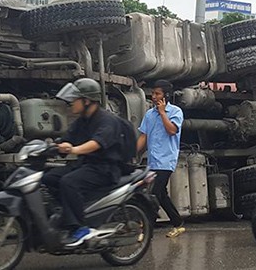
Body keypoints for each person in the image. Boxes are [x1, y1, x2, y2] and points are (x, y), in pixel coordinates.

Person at [42, 78, 126, 247]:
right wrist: (49, 146)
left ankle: (79, 228)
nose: (70, 103)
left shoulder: (107, 120)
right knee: (48, 177)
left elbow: (97, 143)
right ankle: (65, 215)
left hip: (105, 169)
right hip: (86, 165)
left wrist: (73, 150)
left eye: (74, 100)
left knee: (69, 182)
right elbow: (66, 139)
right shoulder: (81, 121)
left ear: (87, 101)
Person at [137, 79, 185, 238]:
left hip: (166, 161)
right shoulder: (149, 115)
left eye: (157, 93)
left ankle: (147, 228)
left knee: (155, 193)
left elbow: (172, 131)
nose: (154, 96)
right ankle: (178, 223)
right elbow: (143, 137)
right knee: (161, 194)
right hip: (153, 161)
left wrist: (163, 112)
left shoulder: (176, 112)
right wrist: (133, 152)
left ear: (166, 95)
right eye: (153, 93)